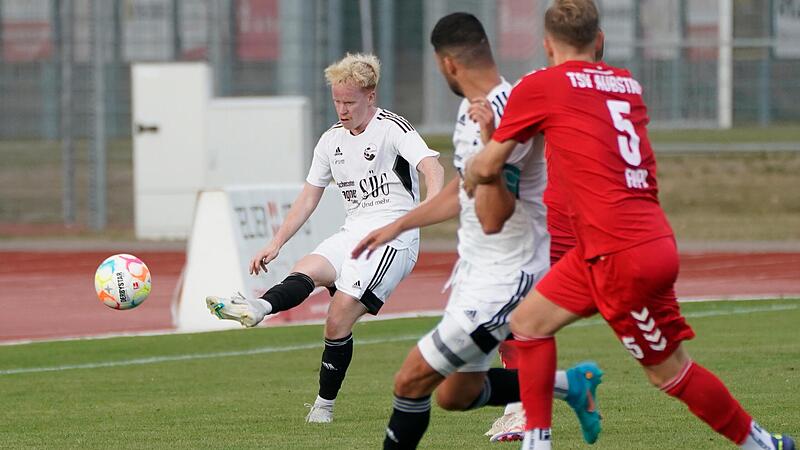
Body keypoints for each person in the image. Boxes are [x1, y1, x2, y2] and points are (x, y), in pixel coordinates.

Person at [465, 1, 796, 449]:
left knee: (670, 372)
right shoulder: (626, 84)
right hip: (632, 241)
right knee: (527, 323)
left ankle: (764, 445)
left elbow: (490, 164)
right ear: (599, 40)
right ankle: (536, 440)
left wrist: (473, 165)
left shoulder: (542, 85)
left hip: (619, 253)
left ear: (547, 46)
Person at [350, 13, 601, 449]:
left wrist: (490, 151)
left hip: (506, 278)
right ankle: (571, 385)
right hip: (476, 275)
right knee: (457, 394)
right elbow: (463, 189)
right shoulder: (472, 110)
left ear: (447, 64)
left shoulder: (506, 112)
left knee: (410, 380)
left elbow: (492, 215)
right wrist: (398, 224)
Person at [206, 53, 444, 424]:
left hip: (393, 238)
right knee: (308, 268)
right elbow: (308, 197)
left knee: (336, 320)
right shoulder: (331, 140)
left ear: (370, 96)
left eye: (349, 102)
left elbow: (432, 166)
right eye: (337, 101)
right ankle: (259, 308)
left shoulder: (392, 128)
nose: (342, 110)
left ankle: (324, 406)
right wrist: (276, 242)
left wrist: (431, 204)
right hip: (353, 231)